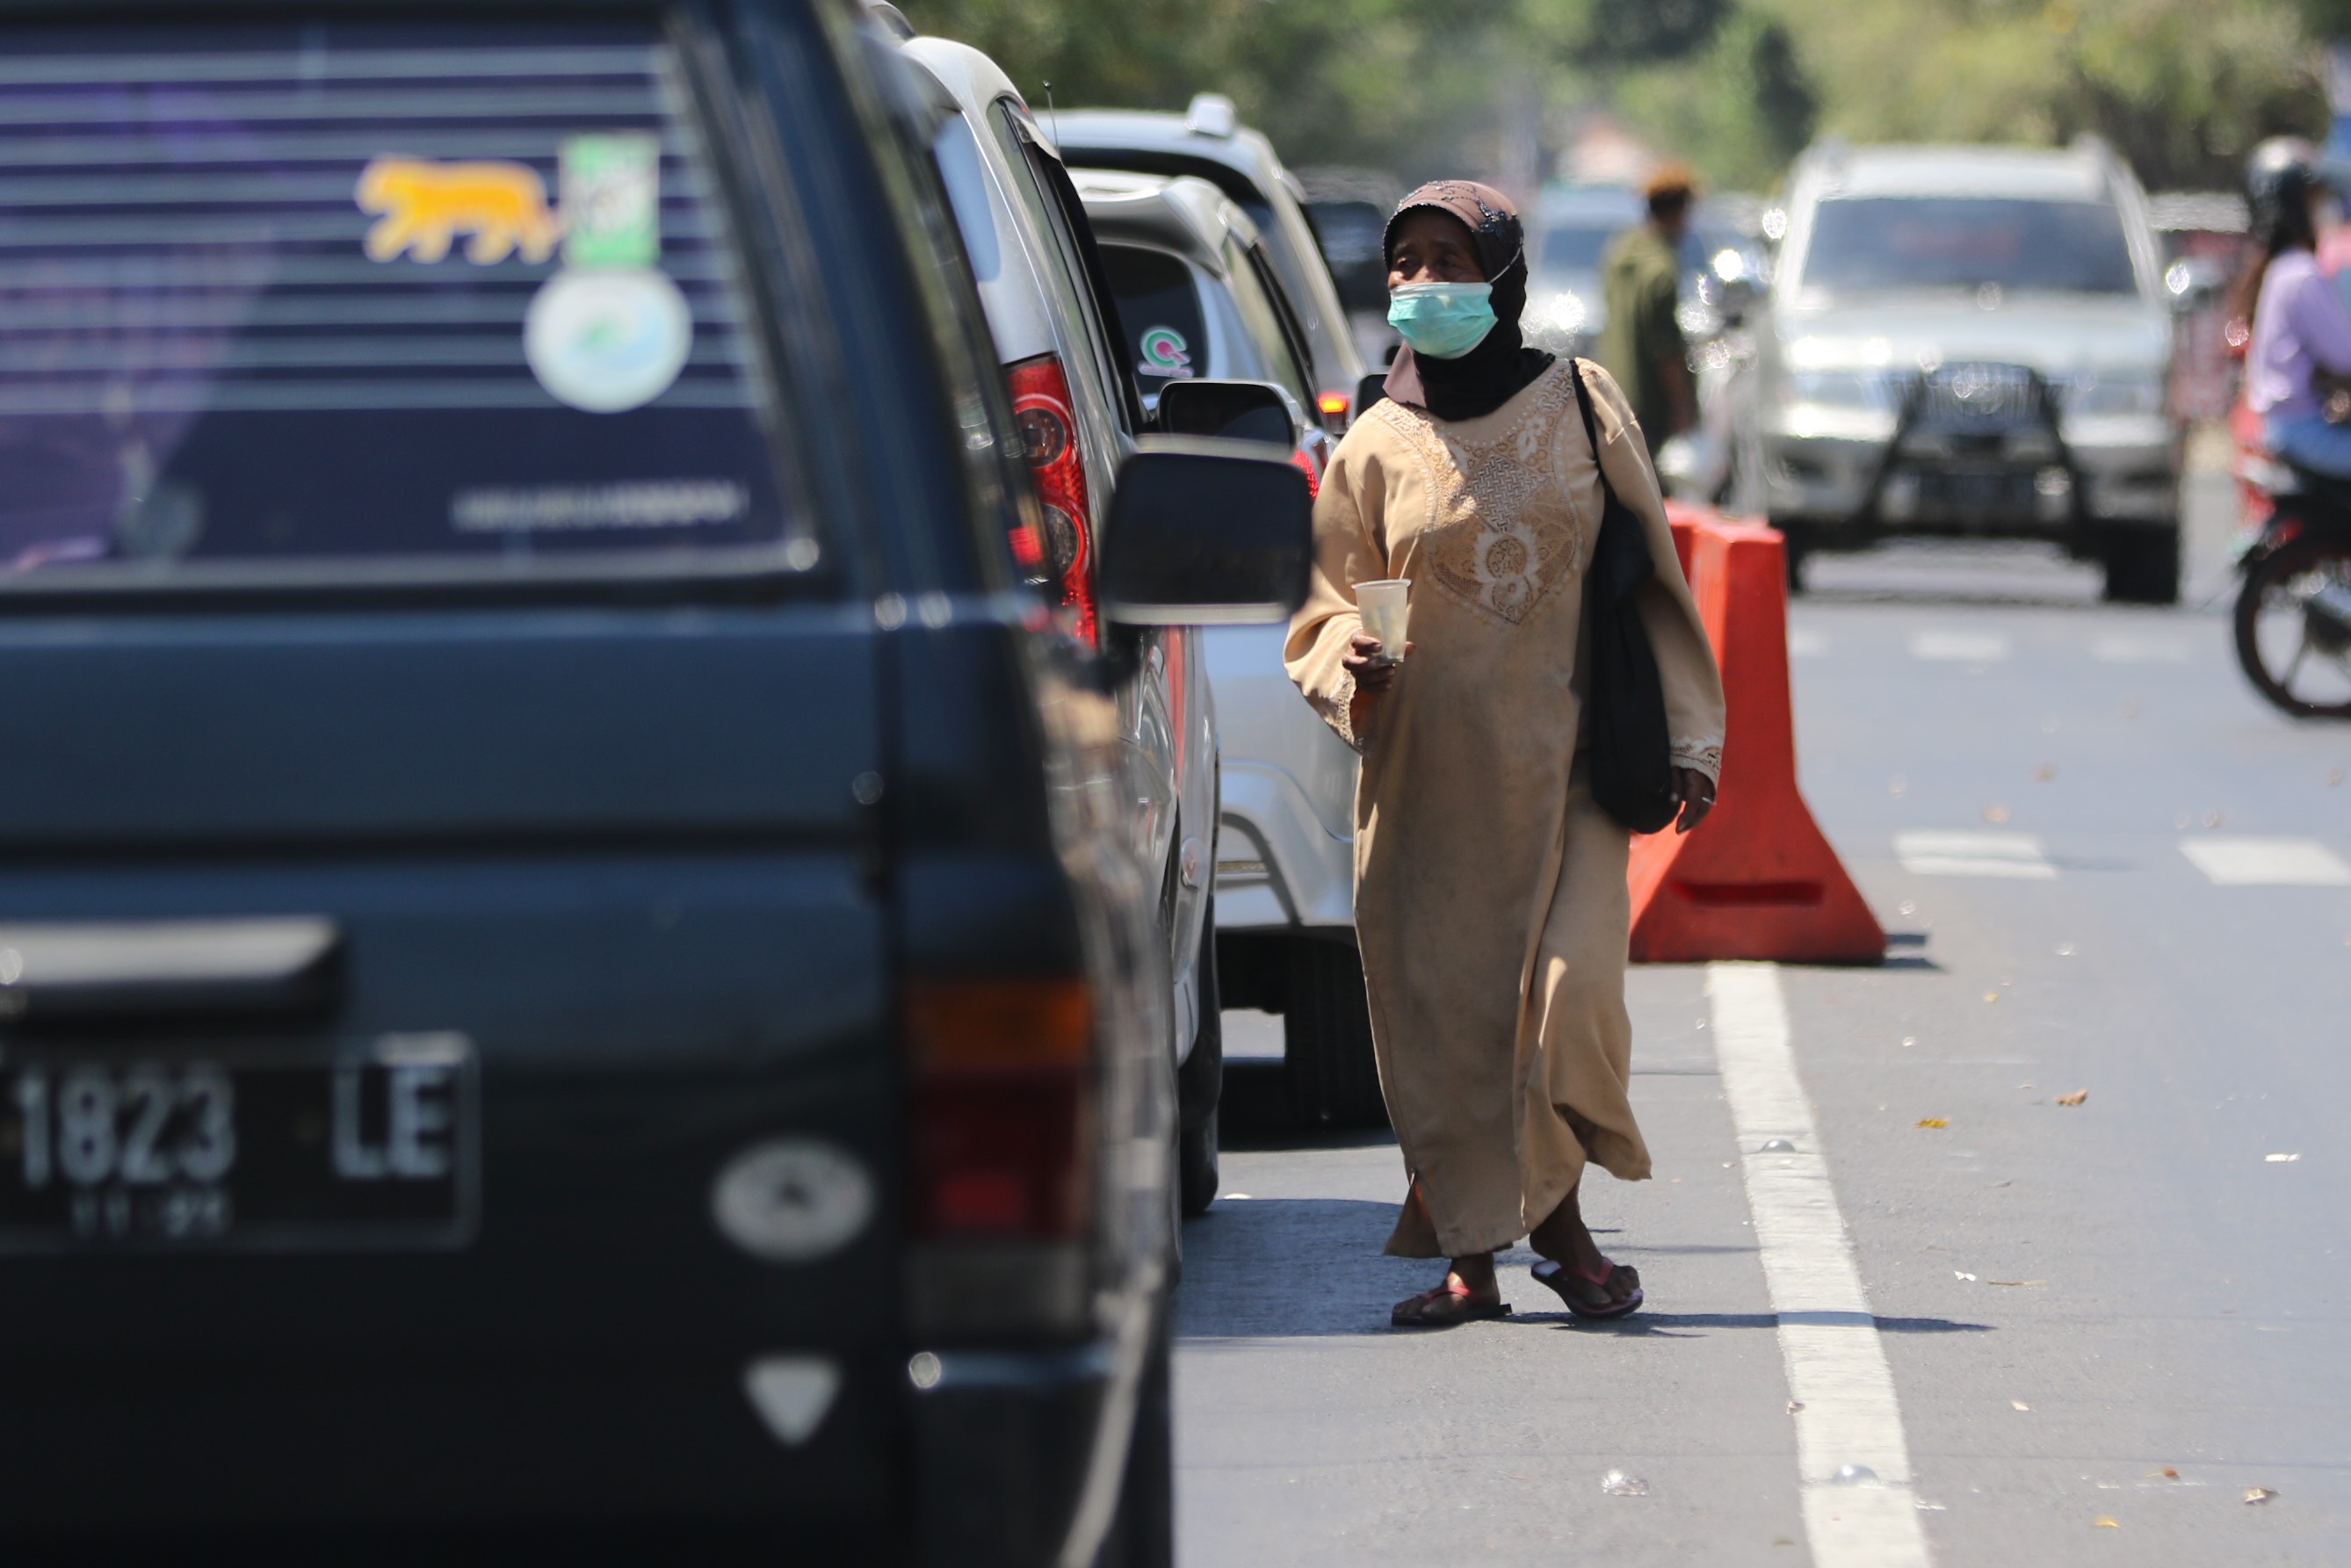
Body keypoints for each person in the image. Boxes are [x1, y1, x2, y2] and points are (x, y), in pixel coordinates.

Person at [1285, 180, 1725, 1328]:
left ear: (1505, 279)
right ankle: (1481, 1261)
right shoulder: (1372, 444)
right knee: (1455, 1029)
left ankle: (1558, 1231)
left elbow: (1654, 577)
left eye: (1451, 261)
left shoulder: (1582, 401)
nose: (1423, 284)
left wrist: (1692, 734)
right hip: (1428, 790)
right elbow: (1328, 606)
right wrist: (1351, 661)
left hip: (1573, 768)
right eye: (1406, 264)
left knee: (1571, 1006)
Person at [2238, 143, 2351, 477]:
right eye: (2315, 200)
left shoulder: (2282, 268)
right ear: (2295, 207)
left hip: (2285, 426)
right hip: (2303, 429)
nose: (2325, 209)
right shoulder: (2301, 273)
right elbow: (2345, 355)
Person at [1598, 167, 1698, 466]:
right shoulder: (1660, 270)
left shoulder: (1620, 252)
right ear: (1678, 212)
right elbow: (1664, 347)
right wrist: (1682, 405)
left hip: (1611, 394)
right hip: (1648, 406)